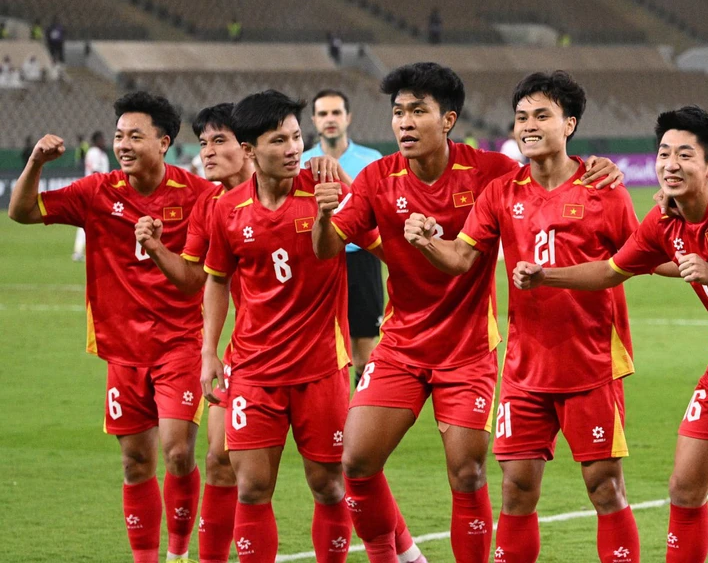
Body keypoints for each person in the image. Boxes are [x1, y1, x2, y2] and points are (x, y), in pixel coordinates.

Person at [316, 63, 621, 563]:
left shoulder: (490, 173)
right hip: (400, 344)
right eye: (398, 113)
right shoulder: (376, 178)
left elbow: (551, 174)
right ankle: (395, 556)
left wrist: (595, 166)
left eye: (419, 111)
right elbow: (328, 249)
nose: (405, 123)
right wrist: (325, 214)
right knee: (356, 460)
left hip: (468, 350)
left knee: (468, 473)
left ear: (449, 119)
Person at [514, 105, 708, 563]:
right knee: (684, 489)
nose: (669, 163)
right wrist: (546, 276)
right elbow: (612, 271)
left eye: (684, 154)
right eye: (664, 153)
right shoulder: (662, 222)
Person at [403, 70, 641, 563]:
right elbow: (462, 259)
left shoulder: (605, 190)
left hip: (591, 364)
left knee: (604, 487)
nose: (528, 125)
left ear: (569, 123)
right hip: (524, 371)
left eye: (542, 115)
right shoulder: (501, 193)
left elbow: (631, 263)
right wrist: (427, 241)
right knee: (515, 490)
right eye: (521, 117)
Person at [8, 92, 212, 563]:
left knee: (178, 452)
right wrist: (37, 160)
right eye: (119, 135)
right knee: (135, 461)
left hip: (180, 344)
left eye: (135, 136)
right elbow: (22, 210)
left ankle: (178, 554)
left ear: (163, 142)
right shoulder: (97, 191)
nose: (123, 144)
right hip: (122, 351)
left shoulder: (198, 195)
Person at [200, 90, 371, 563]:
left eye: (298, 136)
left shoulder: (327, 191)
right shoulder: (228, 208)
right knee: (252, 488)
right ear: (252, 151)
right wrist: (209, 351)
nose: (295, 148)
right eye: (280, 140)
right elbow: (216, 280)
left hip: (321, 369)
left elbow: (381, 244)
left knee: (329, 485)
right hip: (253, 372)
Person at [133, 104, 250, 563]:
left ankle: (397, 546)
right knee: (221, 462)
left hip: (317, 355)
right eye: (203, 143)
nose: (206, 152)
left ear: (247, 147)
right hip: (251, 354)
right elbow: (197, 279)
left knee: (339, 473)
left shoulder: (293, 189)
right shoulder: (211, 204)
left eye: (218, 141)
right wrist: (157, 248)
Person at [303, 89, 383, 385]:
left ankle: (362, 420)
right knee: (320, 350)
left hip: (362, 261)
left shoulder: (371, 159)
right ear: (314, 120)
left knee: (365, 348)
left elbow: (380, 213)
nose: (330, 119)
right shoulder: (302, 162)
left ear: (348, 117)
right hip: (319, 262)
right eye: (323, 114)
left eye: (336, 112)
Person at [70, 130, 109, 261]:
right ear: (96, 140)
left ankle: (84, 251)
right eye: (102, 139)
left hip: (97, 191)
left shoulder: (99, 153)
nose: (104, 142)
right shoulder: (94, 153)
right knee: (89, 222)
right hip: (94, 191)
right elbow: (96, 172)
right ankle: (80, 251)